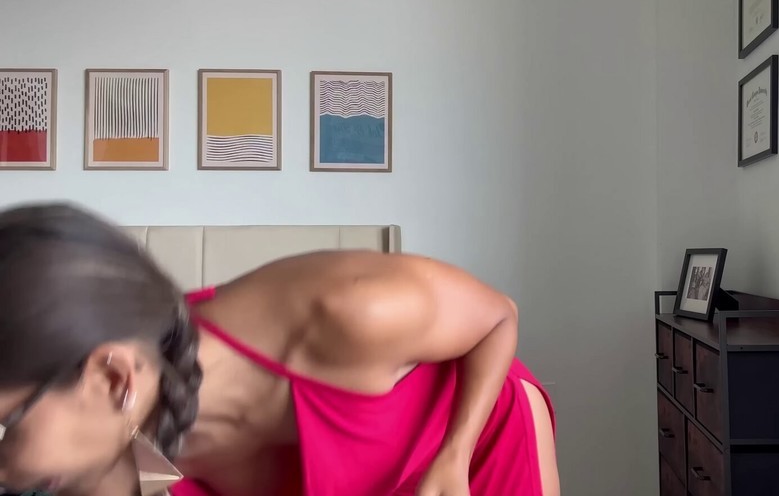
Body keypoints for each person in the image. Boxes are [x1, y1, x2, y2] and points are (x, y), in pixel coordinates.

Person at [0, 203, 559, 495]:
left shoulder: (346, 311)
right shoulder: (106, 458)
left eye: (5, 425)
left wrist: (453, 459)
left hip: (472, 451)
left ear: (113, 378)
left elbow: (497, 317)